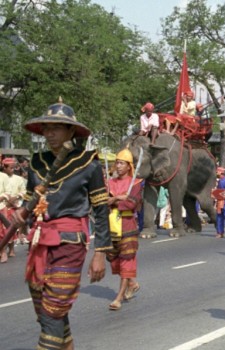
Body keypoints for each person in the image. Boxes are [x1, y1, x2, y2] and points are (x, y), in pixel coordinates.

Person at [12, 99, 110, 350]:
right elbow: (31, 202)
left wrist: (100, 253)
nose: (50, 133)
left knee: (53, 309)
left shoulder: (89, 163)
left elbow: (100, 210)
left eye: (57, 128)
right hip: (39, 242)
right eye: (46, 128)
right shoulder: (36, 162)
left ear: (71, 132)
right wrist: (22, 216)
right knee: (45, 310)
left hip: (70, 241)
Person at [106, 148, 143, 311]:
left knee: (127, 260)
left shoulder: (135, 183)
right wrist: (117, 198)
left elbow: (131, 203)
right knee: (113, 259)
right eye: (118, 163)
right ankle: (132, 283)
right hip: (112, 225)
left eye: (122, 163)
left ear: (129, 166)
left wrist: (114, 200)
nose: (119, 166)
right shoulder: (110, 183)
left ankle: (118, 298)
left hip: (128, 225)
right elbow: (103, 201)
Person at [0, 157, 26, 261]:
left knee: (8, 229)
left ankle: (6, 251)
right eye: (11, 168)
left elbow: (22, 191)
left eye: (14, 168)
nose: (13, 170)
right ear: (4, 167)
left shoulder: (16, 179)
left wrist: (15, 198)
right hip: (6, 204)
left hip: (9, 206)